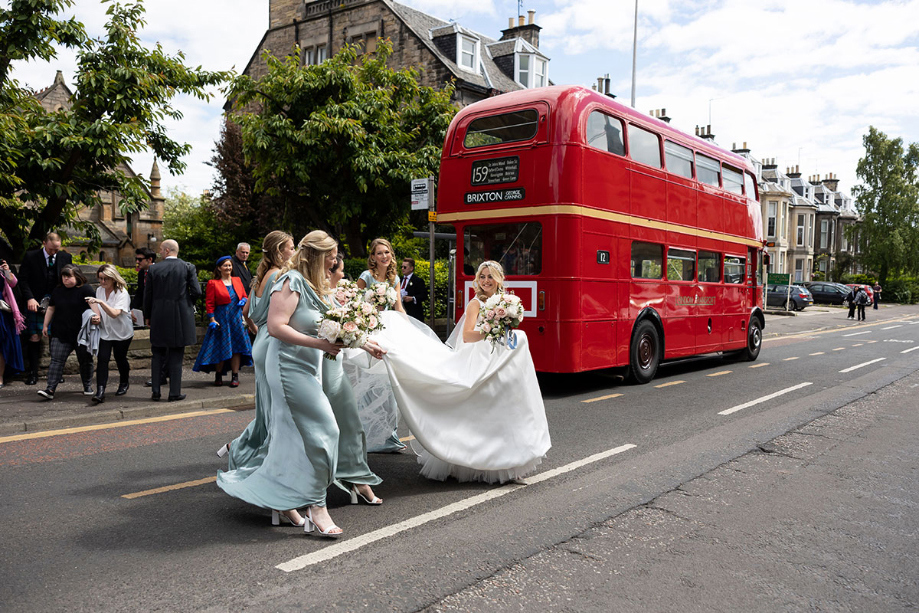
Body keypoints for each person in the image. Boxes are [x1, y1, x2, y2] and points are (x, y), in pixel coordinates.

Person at [217, 231, 385, 537]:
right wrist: (319, 345)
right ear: (318, 256)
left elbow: (335, 328)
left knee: (292, 436)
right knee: (327, 430)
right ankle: (315, 506)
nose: (336, 261)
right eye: (332, 256)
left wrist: (367, 343)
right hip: (287, 366)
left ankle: (283, 498)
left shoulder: (315, 286)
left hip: (310, 367)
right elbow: (275, 327)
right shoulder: (290, 281)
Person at [350, 260, 551, 483]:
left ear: (499, 278)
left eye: (490, 276)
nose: (485, 281)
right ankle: (476, 459)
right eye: (482, 276)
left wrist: (504, 329)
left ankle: (511, 464)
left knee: (507, 406)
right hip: (480, 358)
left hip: (502, 359)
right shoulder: (476, 303)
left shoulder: (508, 302)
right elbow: (467, 336)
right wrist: (492, 331)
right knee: (481, 404)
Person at [217, 231, 295, 466]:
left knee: (266, 405)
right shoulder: (280, 276)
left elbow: (245, 311)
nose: (294, 251)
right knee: (276, 406)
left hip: (261, 341)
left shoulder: (262, 275)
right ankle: (263, 454)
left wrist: (256, 329)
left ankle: (242, 445)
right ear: (280, 250)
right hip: (273, 341)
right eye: (291, 247)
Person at [323, 253, 384, 504]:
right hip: (319, 367)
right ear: (329, 270)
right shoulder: (319, 294)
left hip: (333, 365)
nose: (344, 276)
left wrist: (369, 344)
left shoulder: (334, 296)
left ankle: (357, 478)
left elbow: (348, 329)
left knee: (350, 423)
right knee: (326, 427)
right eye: (341, 271)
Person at [356, 238, 406, 452]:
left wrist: (408, 326)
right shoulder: (366, 277)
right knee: (368, 380)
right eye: (379, 253)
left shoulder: (394, 278)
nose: (384, 256)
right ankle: (367, 432)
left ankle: (388, 434)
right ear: (373, 257)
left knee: (389, 382)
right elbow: (355, 304)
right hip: (370, 329)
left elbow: (398, 307)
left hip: (389, 330)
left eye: (386, 252)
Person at [144, 239, 201, 402]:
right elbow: (197, 291)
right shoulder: (188, 267)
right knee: (176, 354)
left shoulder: (153, 269)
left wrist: (147, 316)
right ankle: (174, 392)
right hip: (180, 316)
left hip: (159, 315)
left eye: (161, 250)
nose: (159, 252)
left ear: (168, 250)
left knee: (157, 353)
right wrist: (186, 303)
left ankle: (156, 391)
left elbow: (148, 296)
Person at [16, 232, 73, 385]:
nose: (54, 253)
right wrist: (30, 298)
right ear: (44, 243)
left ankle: (56, 373)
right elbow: (23, 279)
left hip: (57, 302)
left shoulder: (65, 257)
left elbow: (70, 279)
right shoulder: (31, 256)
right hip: (35, 301)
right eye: (51, 250)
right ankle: (33, 373)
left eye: (57, 249)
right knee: (34, 336)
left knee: (55, 338)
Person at [37, 265, 95, 400]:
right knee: (56, 361)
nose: (65, 279)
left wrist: (96, 319)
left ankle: (87, 385)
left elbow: (94, 307)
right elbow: (51, 308)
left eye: (68, 276)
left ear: (77, 277)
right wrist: (45, 325)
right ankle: (50, 389)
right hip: (60, 331)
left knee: (85, 361)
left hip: (82, 333)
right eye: (63, 276)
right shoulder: (58, 290)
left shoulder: (86, 289)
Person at [193, 256, 253, 387]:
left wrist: (244, 300)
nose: (228, 268)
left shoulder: (237, 280)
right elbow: (209, 303)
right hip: (221, 319)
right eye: (225, 266)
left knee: (237, 348)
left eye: (230, 265)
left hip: (236, 318)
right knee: (221, 346)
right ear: (219, 268)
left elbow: (243, 295)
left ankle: (235, 376)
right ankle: (218, 374)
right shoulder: (213, 283)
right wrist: (212, 319)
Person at [86, 264, 134, 403]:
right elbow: (98, 310)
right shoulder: (100, 290)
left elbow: (114, 314)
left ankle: (124, 382)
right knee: (102, 359)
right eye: (100, 279)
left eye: (105, 279)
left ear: (113, 278)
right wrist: (96, 317)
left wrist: (101, 302)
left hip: (122, 332)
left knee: (120, 358)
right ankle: (100, 391)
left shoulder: (122, 293)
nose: (102, 282)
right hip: (105, 331)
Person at [133, 248, 166, 388]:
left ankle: (161, 376)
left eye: (140, 259)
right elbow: (141, 293)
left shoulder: (159, 271)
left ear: (150, 260)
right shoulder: (142, 274)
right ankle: (161, 375)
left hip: (163, 314)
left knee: (162, 347)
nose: (137, 262)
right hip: (151, 315)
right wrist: (133, 309)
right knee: (157, 346)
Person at [0, 260, 25, 388]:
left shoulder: (2, 270)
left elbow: (13, 283)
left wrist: (7, 270)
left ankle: (0, 377)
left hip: (2, 312)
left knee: (2, 344)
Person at [400, 257, 426, 322]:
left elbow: (423, 295)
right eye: (402, 267)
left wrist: (412, 298)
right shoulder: (399, 280)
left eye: (405, 267)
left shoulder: (418, 281)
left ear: (411, 268)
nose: (402, 269)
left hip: (413, 313)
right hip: (401, 312)